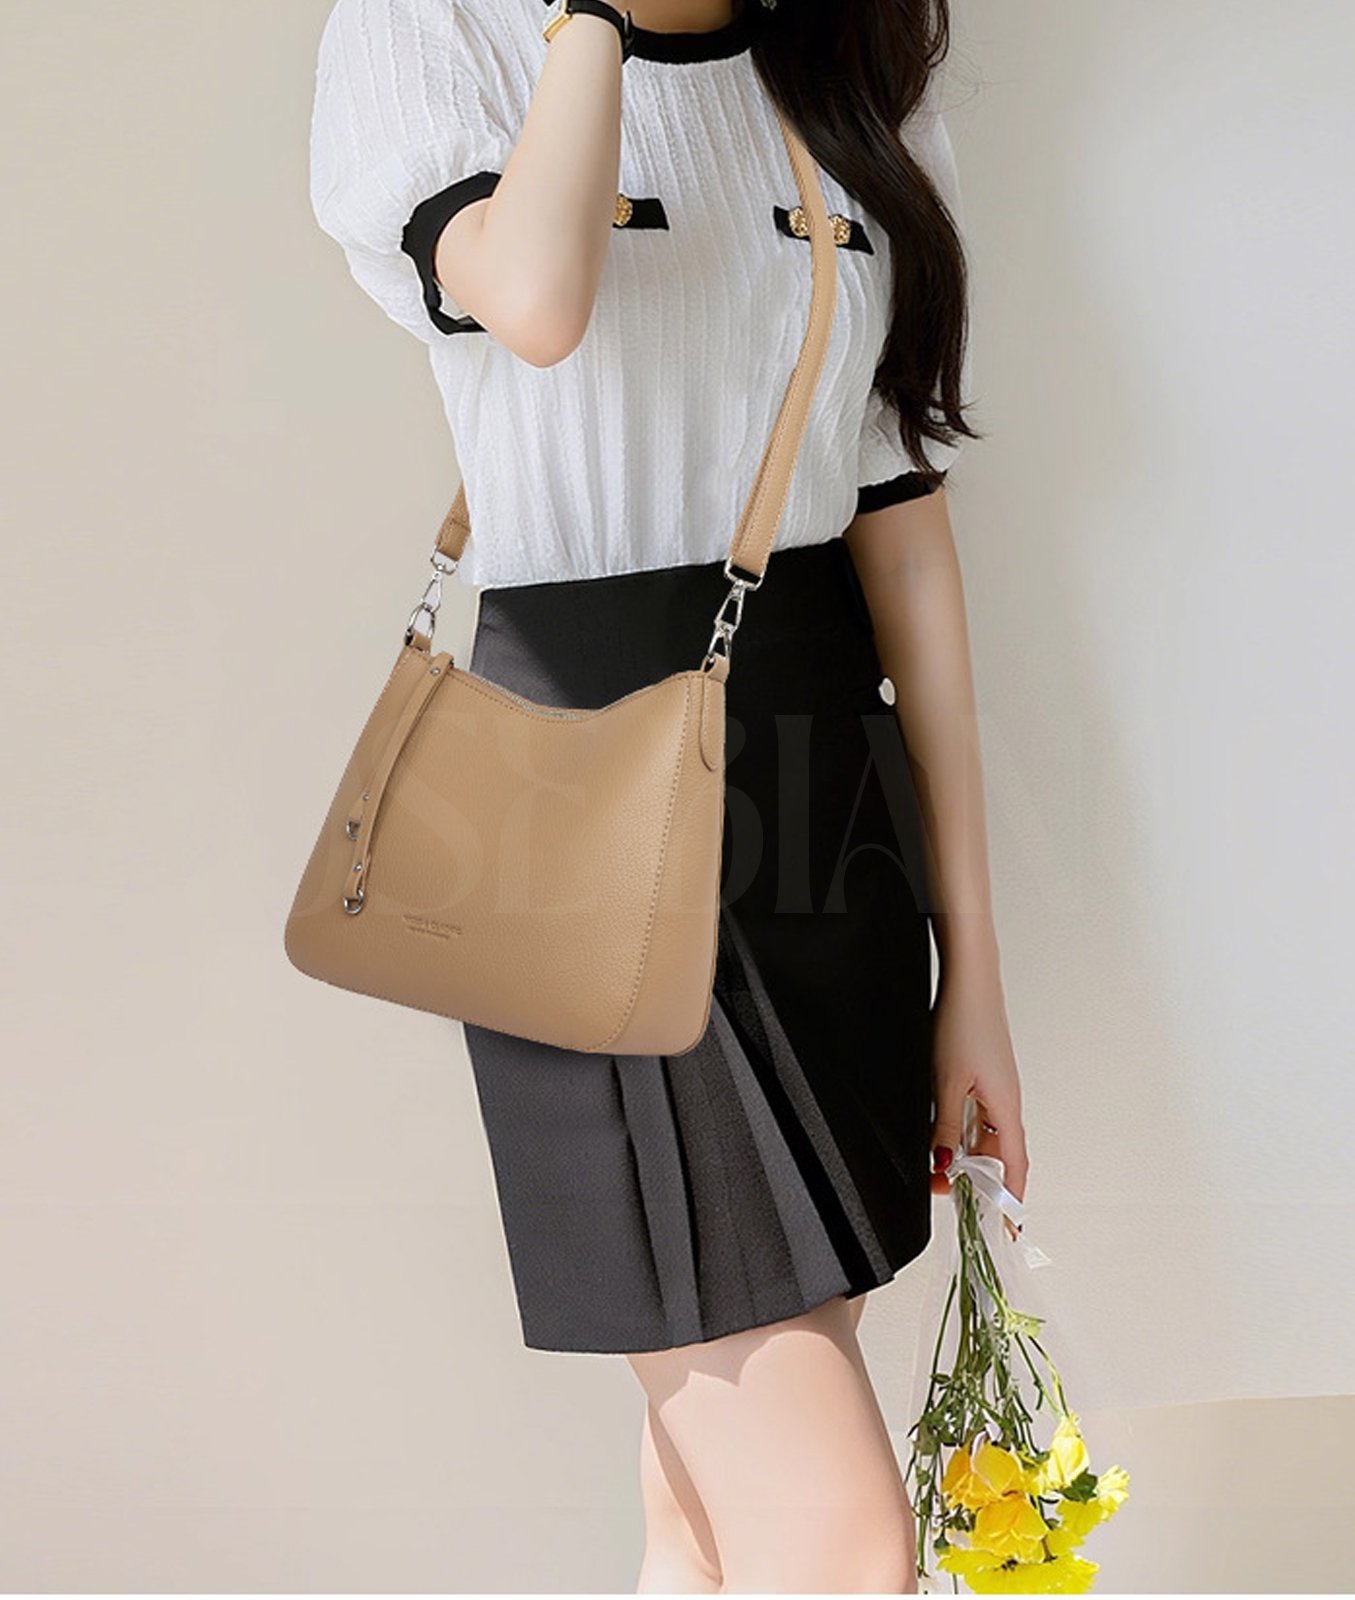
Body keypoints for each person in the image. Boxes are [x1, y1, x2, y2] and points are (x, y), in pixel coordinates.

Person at [308, 0, 1027, 1589]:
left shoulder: (844, 65)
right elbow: (535, 304)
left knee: (704, 1520)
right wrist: (597, 24)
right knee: (840, 1544)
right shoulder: (437, 30)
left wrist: (973, 969)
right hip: (584, 805)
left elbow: (904, 532)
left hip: (825, 799)